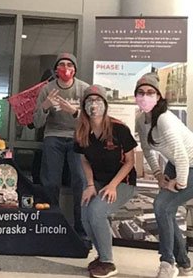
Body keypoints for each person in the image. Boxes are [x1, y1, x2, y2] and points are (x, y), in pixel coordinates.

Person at [74, 84, 137, 278]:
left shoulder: (119, 128)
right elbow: (83, 158)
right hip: (99, 181)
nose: (94, 105)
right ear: (84, 106)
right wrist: (90, 185)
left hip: (122, 182)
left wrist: (112, 186)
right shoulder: (82, 131)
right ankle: (101, 256)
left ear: (105, 104)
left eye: (98, 100)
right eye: (89, 101)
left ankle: (108, 262)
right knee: (85, 215)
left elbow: (130, 161)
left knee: (96, 211)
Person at [134, 73, 193, 278]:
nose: (145, 96)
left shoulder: (165, 119)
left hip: (189, 165)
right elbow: (147, 150)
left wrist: (180, 184)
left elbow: (184, 158)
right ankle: (184, 264)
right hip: (175, 164)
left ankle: (168, 262)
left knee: (161, 206)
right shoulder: (141, 120)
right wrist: (159, 175)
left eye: (150, 92)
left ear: (158, 96)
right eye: (140, 92)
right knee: (165, 210)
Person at [33, 52, 89, 236]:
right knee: (50, 180)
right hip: (53, 136)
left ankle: (81, 227)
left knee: (80, 179)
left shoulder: (83, 89)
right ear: (56, 69)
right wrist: (46, 106)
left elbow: (93, 121)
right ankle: (50, 223)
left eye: (69, 65)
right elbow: (37, 123)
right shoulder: (47, 89)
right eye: (62, 65)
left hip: (76, 137)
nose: (66, 68)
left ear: (75, 69)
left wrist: (74, 112)